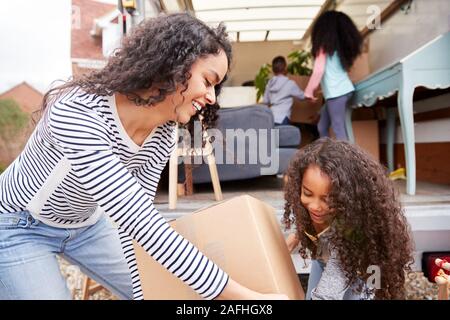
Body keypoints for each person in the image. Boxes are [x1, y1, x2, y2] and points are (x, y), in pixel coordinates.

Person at [0, 13, 287, 300]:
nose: (212, 97)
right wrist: (249, 300)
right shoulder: (77, 112)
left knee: (162, 290)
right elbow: (143, 224)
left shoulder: (162, 132)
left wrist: (145, 294)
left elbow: (137, 229)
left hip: (86, 226)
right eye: (208, 81)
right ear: (174, 65)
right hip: (20, 225)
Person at [283, 138, 414, 300]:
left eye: (327, 199)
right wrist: (295, 237)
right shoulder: (312, 209)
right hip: (323, 258)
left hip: (357, 273)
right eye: (308, 193)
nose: (315, 206)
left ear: (347, 198)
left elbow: (325, 297)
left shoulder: (350, 235)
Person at [304, 11, 363, 140]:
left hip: (336, 94)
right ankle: (327, 155)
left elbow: (318, 70)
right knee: (322, 126)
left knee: (338, 128)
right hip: (342, 92)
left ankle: (346, 160)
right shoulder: (335, 50)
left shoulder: (323, 48)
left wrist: (309, 91)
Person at [263, 56, 305, 126]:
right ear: (285, 68)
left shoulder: (269, 84)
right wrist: (311, 96)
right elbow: (302, 96)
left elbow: (265, 101)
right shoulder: (290, 84)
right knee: (283, 136)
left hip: (271, 117)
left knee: (274, 137)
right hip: (283, 118)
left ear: (273, 70)